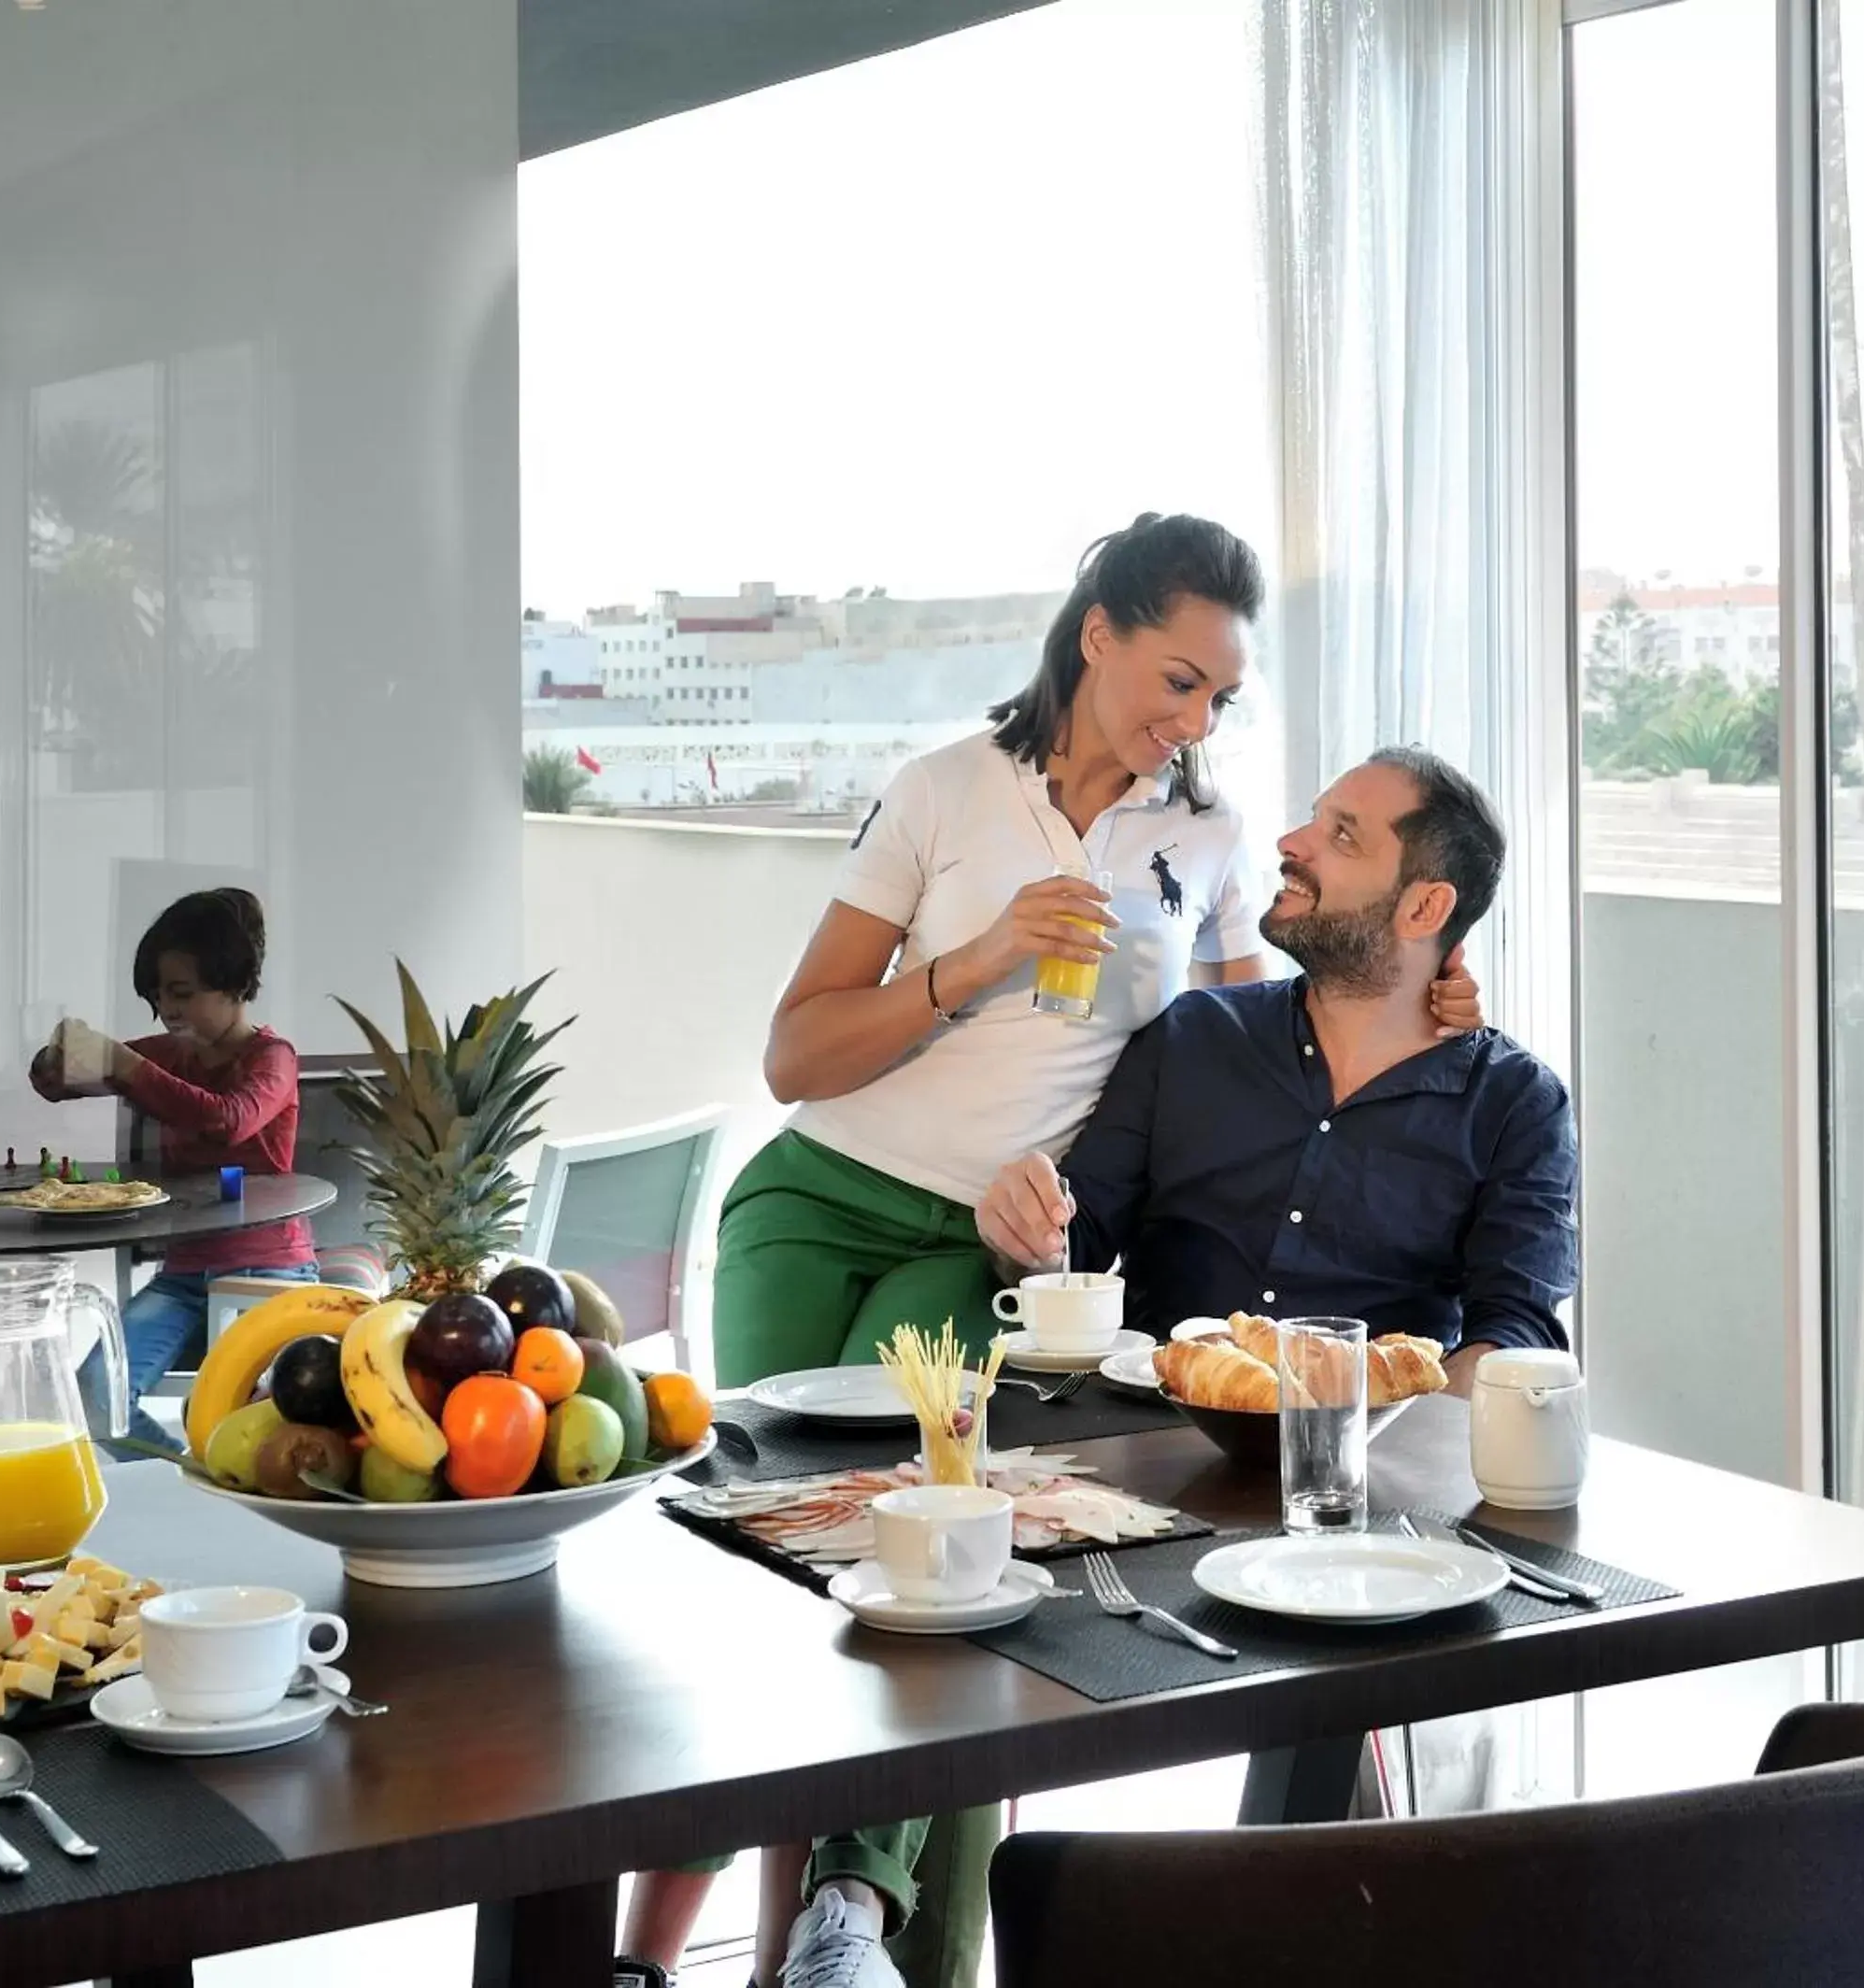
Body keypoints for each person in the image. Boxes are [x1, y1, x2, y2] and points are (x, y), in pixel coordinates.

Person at [619, 518, 1480, 1988]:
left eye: (1218, 696)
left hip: (987, 1238)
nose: (1193, 719)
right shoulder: (944, 792)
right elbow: (793, 1056)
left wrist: (1434, 989)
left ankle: (839, 1944)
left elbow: (1242, 1042)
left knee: (932, 1554)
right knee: (766, 1557)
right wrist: (980, 960)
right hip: (820, 1195)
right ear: (1098, 634)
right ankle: (643, 1952)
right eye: (1176, 676)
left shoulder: (1200, 838)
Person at [975, 746, 1578, 1389]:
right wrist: (1027, 1235)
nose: (1292, 842)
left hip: (1367, 1460)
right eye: (1313, 820)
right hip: (1146, 1432)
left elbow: (1515, 1330)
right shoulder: (1192, 1034)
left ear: (1424, 909)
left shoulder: (1517, 1102)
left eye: (1342, 834)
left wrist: (1392, 1426)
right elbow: (1077, 1243)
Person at [28, 888, 314, 1448]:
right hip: (184, 1274)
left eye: (181, 992)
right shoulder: (167, 1054)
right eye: (158, 996)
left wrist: (127, 1065)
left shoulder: (271, 1058)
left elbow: (229, 1120)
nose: (168, 1009)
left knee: (244, 1420)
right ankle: (190, 1486)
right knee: (94, 1398)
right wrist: (57, 1054)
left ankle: (219, 1493)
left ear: (233, 984)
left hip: (268, 1267)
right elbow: (51, 1085)